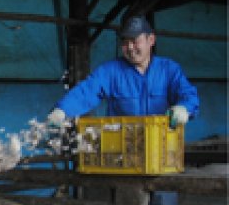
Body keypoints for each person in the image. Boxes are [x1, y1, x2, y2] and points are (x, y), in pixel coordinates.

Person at [47, 15, 199, 127]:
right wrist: (62, 110)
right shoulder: (110, 71)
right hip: (123, 149)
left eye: (135, 41)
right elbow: (86, 91)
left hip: (159, 148)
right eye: (125, 42)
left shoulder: (169, 70)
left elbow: (187, 94)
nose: (130, 47)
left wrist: (184, 108)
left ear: (151, 40)